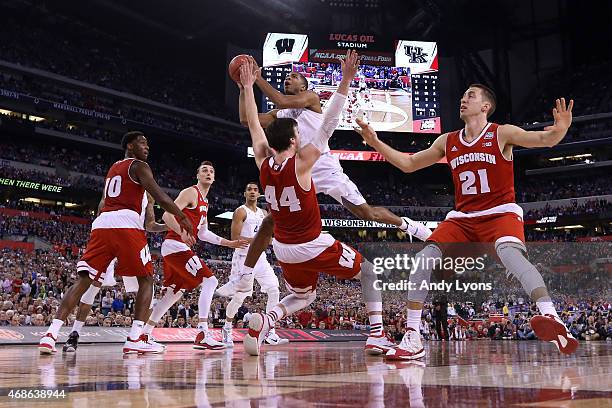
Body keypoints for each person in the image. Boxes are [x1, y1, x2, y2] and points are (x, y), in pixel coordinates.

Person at [355, 84, 578, 359]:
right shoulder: (447, 141)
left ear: (485, 106)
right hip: (463, 218)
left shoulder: (501, 132)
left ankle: (552, 318)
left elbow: (545, 140)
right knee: (424, 259)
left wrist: (561, 128)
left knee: (513, 258)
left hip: (499, 213)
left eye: (470, 96)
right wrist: (375, 141)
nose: (463, 99)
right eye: (462, 95)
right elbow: (409, 164)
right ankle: (413, 336)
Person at [240, 50, 396, 356]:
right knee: (368, 271)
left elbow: (253, 127)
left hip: (283, 249)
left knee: (304, 296)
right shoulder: (303, 164)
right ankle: (377, 335)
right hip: (313, 243)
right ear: (296, 141)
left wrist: (247, 87)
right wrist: (347, 80)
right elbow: (330, 120)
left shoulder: (262, 163)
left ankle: (267, 320)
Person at [236, 55, 431, 297]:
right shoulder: (281, 115)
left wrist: (255, 79)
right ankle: (244, 276)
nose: (288, 79)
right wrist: (243, 89)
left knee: (365, 213)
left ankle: (409, 225)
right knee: (270, 222)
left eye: (294, 77)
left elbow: (281, 99)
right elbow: (248, 120)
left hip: (324, 168)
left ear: (304, 86)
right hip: (296, 171)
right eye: (287, 77)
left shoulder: (310, 98)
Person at [38, 131, 194, 354]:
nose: (147, 147)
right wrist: (183, 217)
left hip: (102, 224)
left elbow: (105, 205)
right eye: (142, 143)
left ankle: (50, 335)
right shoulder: (139, 166)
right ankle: (135, 338)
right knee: (147, 279)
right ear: (130, 146)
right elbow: (161, 197)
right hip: (126, 225)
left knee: (84, 280)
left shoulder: (113, 171)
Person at [139, 161, 247, 351]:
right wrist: (181, 232)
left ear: (214, 178)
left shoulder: (205, 202)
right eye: (204, 170)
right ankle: (203, 333)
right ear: (197, 175)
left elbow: (203, 233)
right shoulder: (191, 192)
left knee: (174, 293)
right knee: (210, 281)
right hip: (175, 245)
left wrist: (230, 243)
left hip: (175, 247)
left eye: (211, 171)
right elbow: (166, 216)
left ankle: (145, 334)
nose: (208, 173)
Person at [62, 192, 167, 353]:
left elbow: (150, 224)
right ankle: (74, 333)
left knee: (147, 289)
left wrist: (168, 226)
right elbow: (101, 211)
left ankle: (142, 336)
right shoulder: (115, 188)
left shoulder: (148, 195)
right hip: (110, 235)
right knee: (92, 286)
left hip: (131, 240)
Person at [216, 182, 288, 347]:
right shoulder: (240, 211)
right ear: (245, 193)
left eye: (255, 189)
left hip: (260, 257)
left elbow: (269, 239)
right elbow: (235, 238)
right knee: (240, 296)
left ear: (259, 194)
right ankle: (227, 327)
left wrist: (265, 241)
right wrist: (258, 241)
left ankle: (270, 332)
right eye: (249, 189)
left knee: (273, 288)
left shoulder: (264, 213)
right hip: (242, 258)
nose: (253, 192)